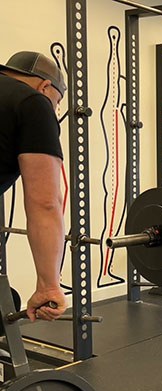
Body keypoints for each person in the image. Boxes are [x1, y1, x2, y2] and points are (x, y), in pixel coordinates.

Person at [0, 51, 68, 321]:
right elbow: (45, 203)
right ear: (45, 87)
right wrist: (49, 286)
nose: (54, 110)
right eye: (57, 102)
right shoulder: (33, 103)